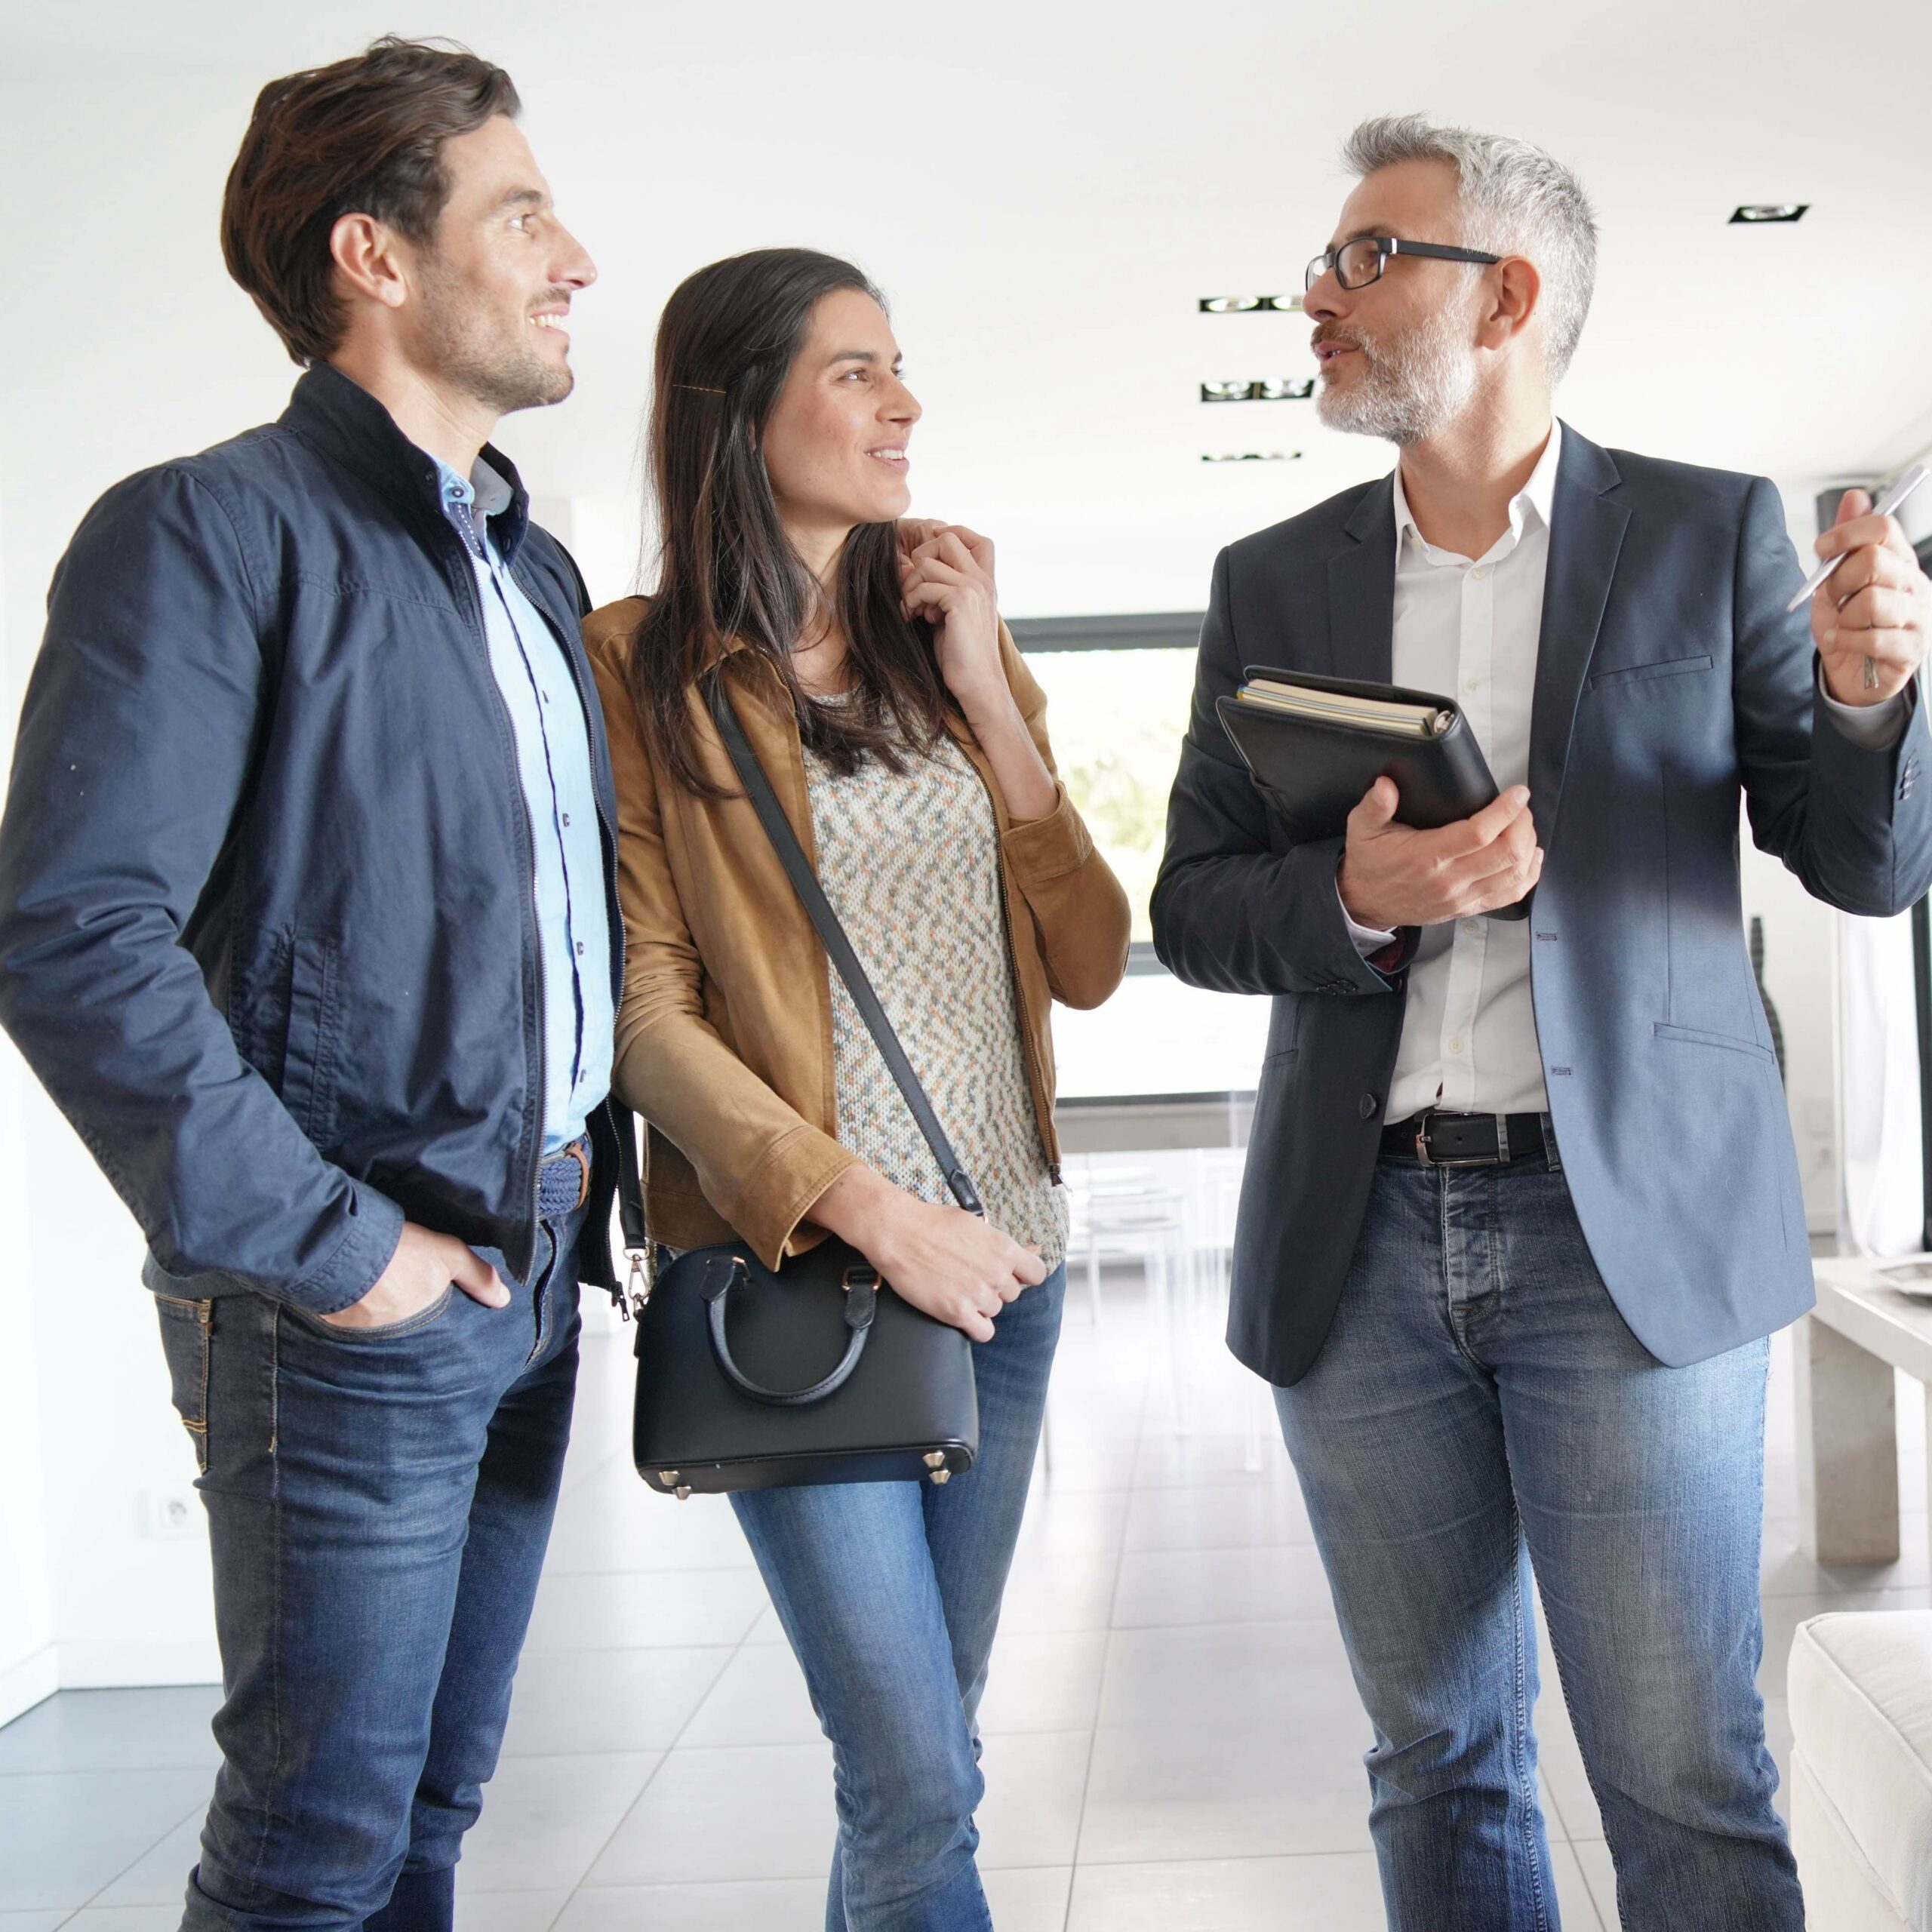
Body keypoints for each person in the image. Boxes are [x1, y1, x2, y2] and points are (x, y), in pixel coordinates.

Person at [1153, 113, 1932, 1931]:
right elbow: (1190, 907)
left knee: (1678, 1769)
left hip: (1626, 1236)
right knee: (1434, 1756)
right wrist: (1365, 896)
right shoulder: (1268, 578)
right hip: (1357, 1251)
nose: (1314, 293)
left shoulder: (1701, 528)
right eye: (1324, 259)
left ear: (1502, 294)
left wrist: (1868, 700)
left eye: (1363, 258)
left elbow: (1857, 867)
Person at [0, 38, 620, 1932]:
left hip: (529, 1263)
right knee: (311, 1852)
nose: (572, 254)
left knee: (429, 1812)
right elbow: (71, 932)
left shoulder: (530, 570)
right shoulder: (202, 531)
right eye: (520, 213)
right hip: (347, 1295)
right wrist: (339, 1246)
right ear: (374, 254)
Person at [586, 246, 1129, 1930]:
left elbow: (1094, 951)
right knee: (907, 1772)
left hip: (1009, 1264)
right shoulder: (631, 663)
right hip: (808, 1271)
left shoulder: (941, 641)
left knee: (929, 1762)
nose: (903, 406)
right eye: (856, 371)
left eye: (901, 369)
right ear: (738, 412)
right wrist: (870, 1208)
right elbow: (640, 1007)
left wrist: (985, 686)